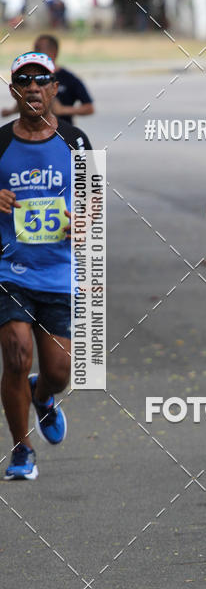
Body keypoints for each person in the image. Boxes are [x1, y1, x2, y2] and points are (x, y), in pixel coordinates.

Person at [1, 51, 92, 480]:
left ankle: (43, 394)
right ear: (15, 90)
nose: (33, 87)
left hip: (59, 273)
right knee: (16, 355)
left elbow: (94, 206)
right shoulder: (0, 143)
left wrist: (83, 225)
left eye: (42, 80)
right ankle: (22, 450)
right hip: (10, 271)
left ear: (55, 88)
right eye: (24, 80)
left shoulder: (76, 141)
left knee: (59, 371)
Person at [2, 35, 94, 125]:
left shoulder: (69, 79)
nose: (34, 88)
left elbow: (89, 108)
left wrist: (63, 110)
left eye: (39, 49)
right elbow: (25, 99)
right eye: (35, 48)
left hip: (61, 131)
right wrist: (11, 111)